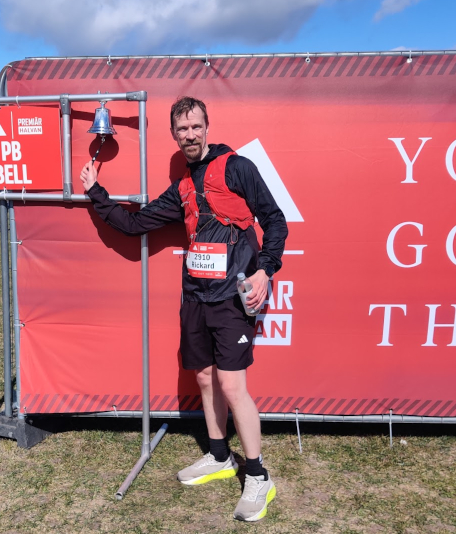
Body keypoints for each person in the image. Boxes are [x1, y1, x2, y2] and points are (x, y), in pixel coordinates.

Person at [79, 96, 288, 522]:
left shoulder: (237, 168)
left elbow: (275, 220)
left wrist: (266, 271)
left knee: (232, 386)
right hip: (194, 296)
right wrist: (95, 192)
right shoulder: (181, 189)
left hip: (233, 297)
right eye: (181, 130)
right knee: (206, 380)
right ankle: (218, 456)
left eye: (195, 127)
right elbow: (135, 224)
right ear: (174, 136)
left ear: (206, 127)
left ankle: (257, 475)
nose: (189, 135)